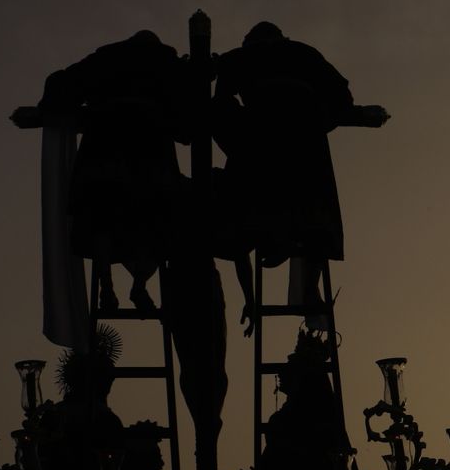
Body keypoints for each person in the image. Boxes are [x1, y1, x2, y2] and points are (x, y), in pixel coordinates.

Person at [213, 22, 388, 329]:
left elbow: (220, 105)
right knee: (317, 220)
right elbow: (340, 96)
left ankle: (280, 243)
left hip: (264, 143)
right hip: (306, 145)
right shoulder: (304, 53)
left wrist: (238, 138)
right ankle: (305, 281)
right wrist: (328, 117)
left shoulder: (240, 58)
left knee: (262, 207)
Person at [39, 30, 188, 315]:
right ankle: (139, 286)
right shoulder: (168, 65)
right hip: (149, 154)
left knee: (102, 219)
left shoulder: (105, 59)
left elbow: (61, 82)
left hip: (104, 152)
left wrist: (49, 109)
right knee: (157, 223)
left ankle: (106, 286)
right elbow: (187, 118)